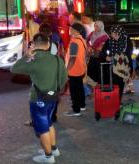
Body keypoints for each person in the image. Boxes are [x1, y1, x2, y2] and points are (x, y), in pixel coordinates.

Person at [11, 33, 67, 164]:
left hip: (38, 99)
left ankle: (48, 157)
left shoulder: (34, 60)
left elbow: (14, 69)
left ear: (34, 45)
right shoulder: (58, 59)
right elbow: (64, 79)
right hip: (53, 98)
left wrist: (27, 55)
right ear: (48, 44)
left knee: (42, 129)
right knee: (49, 123)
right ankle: (54, 149)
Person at [100, 24, 133, 102]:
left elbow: (128, 54)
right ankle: (114, 101)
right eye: (112, 34)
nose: (113, 36)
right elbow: (103, 52)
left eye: (115, 34)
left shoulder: (126, 41)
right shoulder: (110, 40)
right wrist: (106, 56)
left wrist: (116, 58)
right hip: (112, 68)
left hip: (123, 68)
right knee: (113, 84)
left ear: (120, 33)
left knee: (120, 85)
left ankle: (117, 101)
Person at [63, 23, 88, 117]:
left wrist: (66, 70)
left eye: (71, 28)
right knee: (79, 88)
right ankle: (82, 105)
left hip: (74, 70)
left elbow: (72, 58)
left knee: (74, 91)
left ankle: (76, 110)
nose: (69, 29)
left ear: (76, 31)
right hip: (81, 68)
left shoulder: (74, 42)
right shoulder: (82, 40)